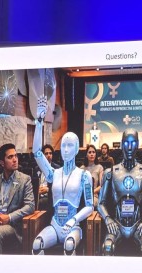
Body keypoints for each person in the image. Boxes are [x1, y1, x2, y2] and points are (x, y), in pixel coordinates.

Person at [32, 95, 94, 255]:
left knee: (69, 244)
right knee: (37, 244)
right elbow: (37, 152)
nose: (66, 149)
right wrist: (39, 121)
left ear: (77, 149)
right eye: (63, 145)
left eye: (70, 146)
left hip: (73, 227)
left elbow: (90, 206)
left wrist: (74, 220)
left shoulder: (84, 175)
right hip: (54, 226)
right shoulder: (53, 174)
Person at [97, 129, 142, 256]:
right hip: (117, 224)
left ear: (138, 144)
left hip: (138, 224)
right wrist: (108, 218)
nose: (129, 147)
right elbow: (100, 203)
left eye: (133, 143)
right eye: (126, 143)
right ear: (121, 144)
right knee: (107, 246)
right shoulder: (110, 172)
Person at [0, 143, 35, 254]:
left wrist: (9, 217)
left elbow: (30, 206)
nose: (15, 160)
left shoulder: (24, 180)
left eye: (15, 156)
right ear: (2, 162)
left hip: (12, 227)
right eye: (10, 157)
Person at [36, 144, 60, 211]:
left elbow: (59, 187)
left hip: (50, 196)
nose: (49, 155)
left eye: (50, 153)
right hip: (39, 195)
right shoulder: (37, 168)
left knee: (42, 202)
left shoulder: (57, 168)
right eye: (46, 154)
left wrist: (48, 189)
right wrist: (37, 190)